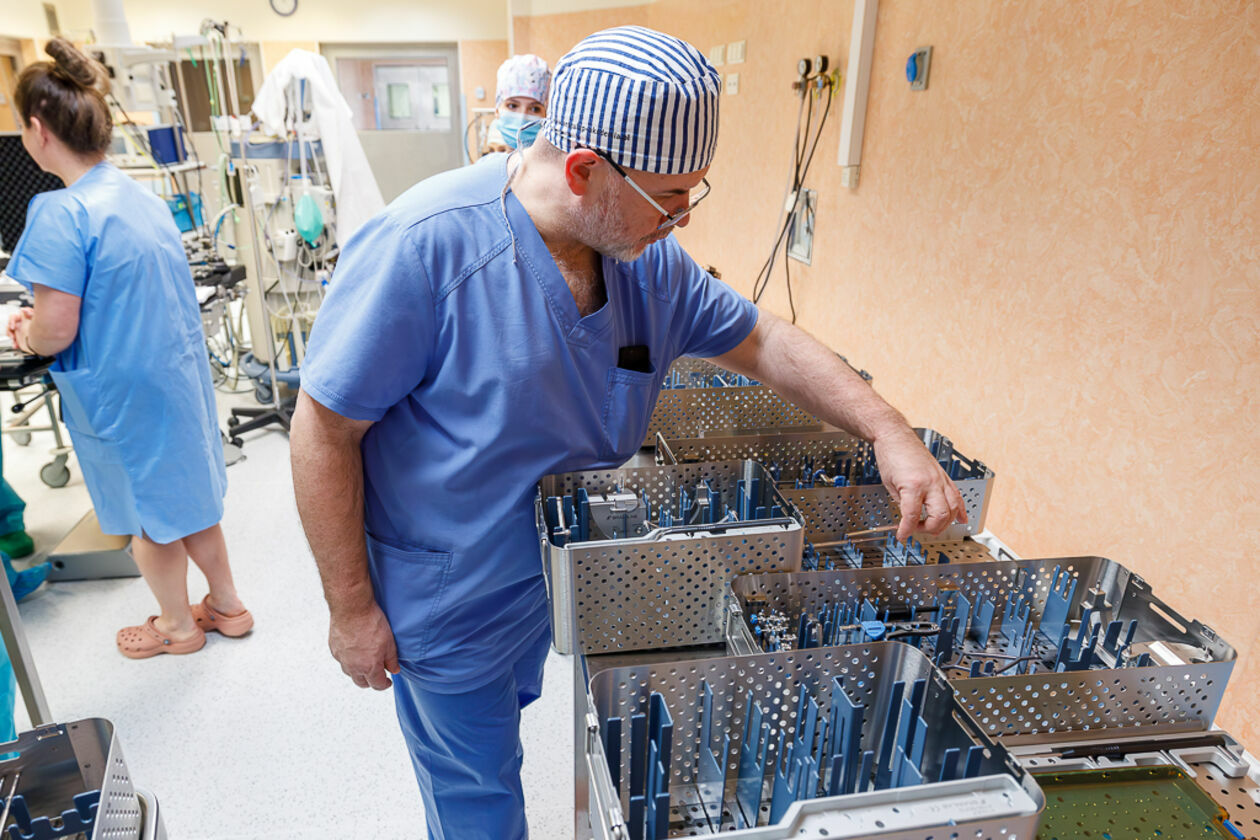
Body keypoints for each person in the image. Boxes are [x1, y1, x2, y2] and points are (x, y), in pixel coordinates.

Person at [291, 25, 965, 840]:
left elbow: (764, 341)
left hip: (553, 579)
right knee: (475, 797)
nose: (683, 218)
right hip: (449, 590)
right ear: (583, 171)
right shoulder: (427, 248)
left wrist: (887, 429)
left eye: (693, 193)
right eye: (669, 197)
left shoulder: (645, 259)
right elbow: (323, 428)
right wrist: (350, 609)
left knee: (515, 734)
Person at [4, 38, 253, 658]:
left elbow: (55, 331)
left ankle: (177, 626)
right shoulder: (141, 195)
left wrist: (26, 330)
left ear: (37, 130)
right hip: (175, 377)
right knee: (190, 499)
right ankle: (227, 604)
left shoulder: (60, 212)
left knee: (148, 517)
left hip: (122, 393)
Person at [482, 53, 550, 154]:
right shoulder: (488, 163)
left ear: (546, 115)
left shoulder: (555, 163)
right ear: (497, 111)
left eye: (534, 109)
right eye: (512, 106)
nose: (522, 117)